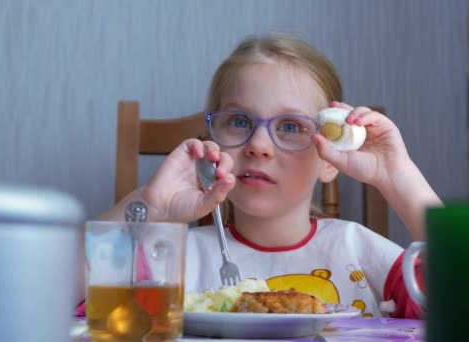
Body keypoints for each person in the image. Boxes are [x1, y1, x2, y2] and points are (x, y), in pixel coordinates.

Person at [77, 33, 441, 318]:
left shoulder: (360, 252)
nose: (259, 146)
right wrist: (149, 206)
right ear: (212, 143)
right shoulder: (177, 258)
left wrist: (398, 175)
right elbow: (53, 295)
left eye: (291, 126)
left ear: (330, 160)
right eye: (239, 122)